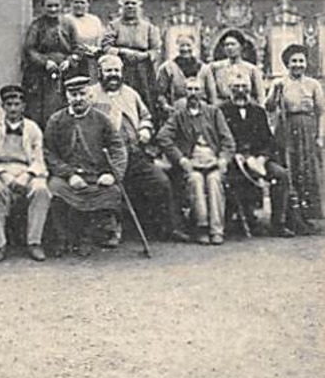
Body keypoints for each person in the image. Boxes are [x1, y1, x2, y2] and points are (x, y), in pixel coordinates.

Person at [89, 54, 188, 242]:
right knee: (111, 188)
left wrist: (144, 129)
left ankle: (169, 227)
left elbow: (146, 116)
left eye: (116, 71)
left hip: (134, 153)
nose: (113, 75)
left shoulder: (131, 93)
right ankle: (111, 230)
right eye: (109, 71)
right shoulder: (91, 94)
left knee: (160, 182)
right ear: (100, 73)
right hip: (105, 157)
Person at [44, 74, 127, 254]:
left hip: (95, 174)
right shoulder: (56, 120)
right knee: (55, 189)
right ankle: (62, 238)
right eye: (73, 95)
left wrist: (112, 174)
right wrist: (69, 174)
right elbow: (48, 153)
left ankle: (88, 237)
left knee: (110, 191)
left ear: (90, 96)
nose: (78, 99)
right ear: (67, 97)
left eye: (82, 94)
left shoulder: (102, 119)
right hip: (66, 177)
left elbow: (118, 148)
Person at [157, 75, 235, 245]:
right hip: (192, 162)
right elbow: (163, 137)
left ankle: (216, 230)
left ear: (203, 92)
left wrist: (223, 159)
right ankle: (202, 227)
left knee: (214, 181)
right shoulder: (179, 115)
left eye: (196, 89)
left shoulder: (214, 112)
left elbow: (228, 141)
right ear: (185, 93)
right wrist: (181, 159)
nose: (193, 93)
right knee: (196, 181)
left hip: (212, 159)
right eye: (189, 90)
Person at [0, 83, 50, 263]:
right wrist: (4, 175)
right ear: (2, 106)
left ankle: (34, 242)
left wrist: (27, 176)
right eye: (8, 104)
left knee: (41, 190)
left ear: (23, 106)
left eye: (16, 104)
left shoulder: (32, 128)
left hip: (26, 171)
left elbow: (39, 159)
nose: (12, 108)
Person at [221, 69, 293, 238]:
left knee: (281, 175)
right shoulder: (221, 111)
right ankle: (233, 220)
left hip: (258, 159)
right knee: (231, 178)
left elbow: (269, 141)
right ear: (229, 88)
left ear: (250, 88)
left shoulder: (258, 111)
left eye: (244, 86)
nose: (240, 90)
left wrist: (262, 158)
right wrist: (234, 155)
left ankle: (278, 224)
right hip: (234, 160)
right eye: (236, 86)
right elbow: (220, 139)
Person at [265, 44, 323, 231]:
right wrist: (276, 92)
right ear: (287, 64)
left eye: (301, 61)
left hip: (308, 130)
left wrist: (320, 136)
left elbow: (321, 112)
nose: (297, 65)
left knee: (307, 171)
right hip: (287, 130)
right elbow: (269, 107)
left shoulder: (313, 84)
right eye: (293, 61)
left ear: (306, 63)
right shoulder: (279, 83)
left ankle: (308, 217)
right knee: (290, 169)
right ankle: (291, 217)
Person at [22, 0, 83, 128]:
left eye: (56, 5)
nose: (53, 9)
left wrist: (69, 61)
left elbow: (78, 48)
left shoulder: (68, 24)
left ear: (62, 5)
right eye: (49, 6)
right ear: (43, 7)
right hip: (41, 75)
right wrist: (45, 62)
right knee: (41, 109)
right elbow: (29, 49)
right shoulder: (37, 25)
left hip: (65, 73)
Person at [101, 0, 161, 121]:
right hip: (121, 68)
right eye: (126, 3)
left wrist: (144, 55)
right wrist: (122, 52)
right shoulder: (114, 26)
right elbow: (106, 47)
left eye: (133, 4)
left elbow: (156, 50)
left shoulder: (148, 27)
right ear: (121, 7)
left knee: (146, 98)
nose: (130, 7)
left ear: (139, 6)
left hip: (143, 70)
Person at [156, 34, 217, 121]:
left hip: (201, 114)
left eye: (188, 45)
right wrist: (166, 106)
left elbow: (212, 95)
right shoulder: (167, 68)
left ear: (194, 46)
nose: (185, 49)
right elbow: (160, 93)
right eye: (182, 45)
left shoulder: (204, 69)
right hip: (177, 113)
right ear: (177, 47)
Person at [211, 31, 265, 105]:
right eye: (226, 45)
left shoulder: (252, 69)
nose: (229, 47)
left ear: (241, 47)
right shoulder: (215, 68)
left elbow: (260, 96)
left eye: (233, 44)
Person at [68, 0, 105, 80]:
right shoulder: (66, 20)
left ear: (88, 4)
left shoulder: (95, 20)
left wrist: (96, 49)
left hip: (92, 61)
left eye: (82, 2)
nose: (79, 5)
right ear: (71, 3)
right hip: (73, 61)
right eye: (76, 2)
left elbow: (101, 40)